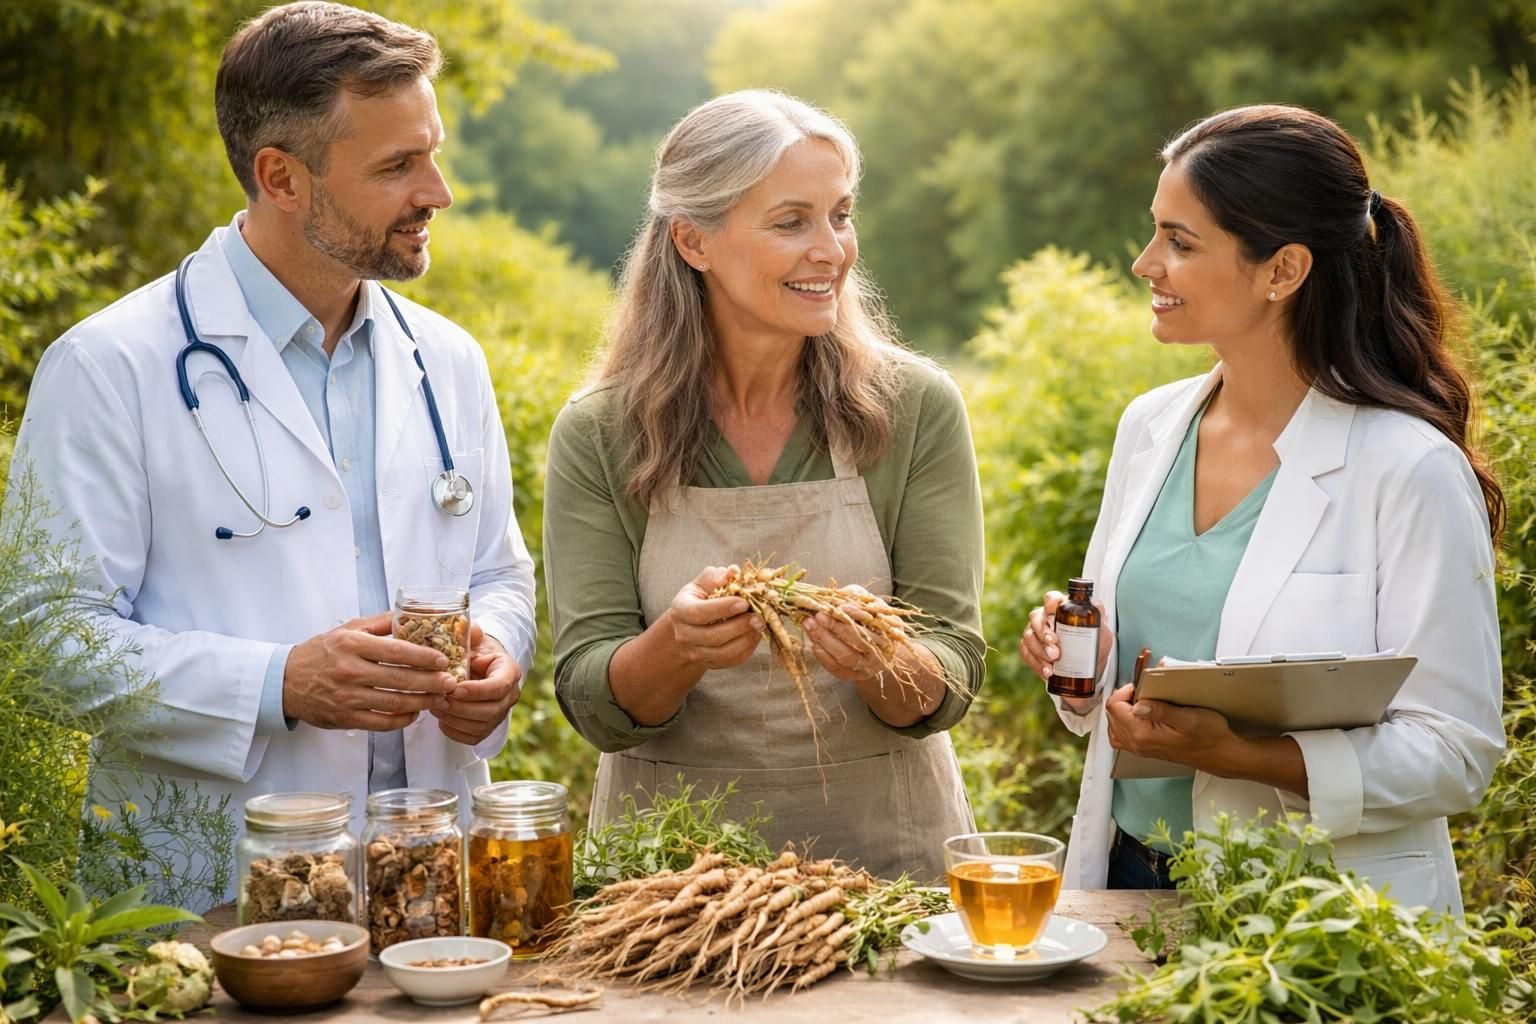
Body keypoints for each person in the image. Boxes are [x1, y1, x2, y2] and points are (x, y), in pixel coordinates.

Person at [9, 1, 536, 897]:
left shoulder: (446, 360)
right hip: (202, 890)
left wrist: (496, 654)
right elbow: (42, 638)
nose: (437, 192)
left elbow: (500, 573)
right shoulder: (108, 367)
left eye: (433, 153)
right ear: (281, 178)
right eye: (399, 165)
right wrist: (275, 684)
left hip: (428, 882)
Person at [1018, 104, 1504, 914]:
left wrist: (1248, 754)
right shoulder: (1151, 427)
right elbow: (1138, 672)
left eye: (1181, 241)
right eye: (1154, 233)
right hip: (1129, 877)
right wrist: (1080, 670)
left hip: (1318, 913)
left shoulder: (1408, 469)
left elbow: (1455, 753)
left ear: (1281, 271)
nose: (1146, 264)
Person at [544, 90, 984, 881]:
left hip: (885, 871)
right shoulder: (599, 431)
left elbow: (952, 667)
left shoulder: (914, 407)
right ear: (693, 240)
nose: (832, 249)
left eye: (840, 215)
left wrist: (883, 659)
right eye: (791, 222)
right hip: (672, 886)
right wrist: (673, 649)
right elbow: (592, 697)